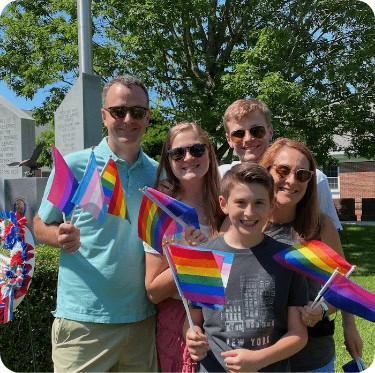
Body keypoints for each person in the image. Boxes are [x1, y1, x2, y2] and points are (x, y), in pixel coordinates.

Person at [33, 75, 159, 372]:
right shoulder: (76, 166)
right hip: (83, 323)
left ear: (148, 117)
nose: (128, 119)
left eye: (137, 112)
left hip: (141, 322)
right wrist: (58, 236)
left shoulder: (159, 174)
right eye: (118, 111)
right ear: (104, 116)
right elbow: (39, 224)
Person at [184, 163, 309, 372]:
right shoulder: (204, 257)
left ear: (271, 206)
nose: (249, 212)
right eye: (241, 202)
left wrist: (260, 358)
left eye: (259, 202)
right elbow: (193, 320)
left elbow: (298, 334)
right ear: (223, 204)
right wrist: (192, 337)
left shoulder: (287, 259)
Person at [259, 138, 363, 372]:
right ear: (266, 171)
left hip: (313, 359)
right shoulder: (248, 223)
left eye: (302, 175)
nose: (291, 181)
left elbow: (342, 285)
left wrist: (341, 320)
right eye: (283, 170)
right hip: (258, 358)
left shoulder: (320, 226)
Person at [144, 122, 225, 372]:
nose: (188, 158)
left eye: (197, 149)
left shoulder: (228, 203)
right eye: (178, 153)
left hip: (227, 320)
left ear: (210, 152)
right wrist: (188, 257)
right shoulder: (162, 212)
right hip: (182, 324)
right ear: (169, 161)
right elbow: (154, 291)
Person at [219, 98, 343, 231]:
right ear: (229, 140)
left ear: (270, 131)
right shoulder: (220, 177)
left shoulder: (311, 178)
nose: (248, 138)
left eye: (257, 131)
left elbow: (328, 236)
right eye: (238, 134)